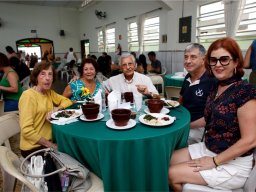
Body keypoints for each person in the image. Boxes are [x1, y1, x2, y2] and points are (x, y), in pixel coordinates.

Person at [168, 37, 256, 192]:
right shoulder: (217, 87)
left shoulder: (245, 92)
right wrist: (185, 124)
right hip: (209, 148)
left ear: (236, 62)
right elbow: (208, 119)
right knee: (166, 158)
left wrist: (214, 161)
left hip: (232, 164)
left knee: (171, 174)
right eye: (213, 60)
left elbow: (250, 140)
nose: (218, 65)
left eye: (224, 60)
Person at [19, 61, 73, 191]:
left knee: (70, 156)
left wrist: (57, 109)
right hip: (33, 146)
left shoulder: (49, 93)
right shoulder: (28, 96)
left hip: (46, 143)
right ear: (36, 77)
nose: (47, 78)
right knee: (53, 177)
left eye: (50, 74)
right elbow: (26, 131)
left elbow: (67, 101)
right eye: (43, 74)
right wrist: (51, 145)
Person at [179, 43, 216, 144]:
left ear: (203, 59)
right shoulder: (188, 77)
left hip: (200, 128)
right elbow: (181, 100)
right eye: (186, 57)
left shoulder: (212, 80)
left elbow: (212, 116)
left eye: (193, 57)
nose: (188, 61)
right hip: (184, 122)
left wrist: (186, 126)